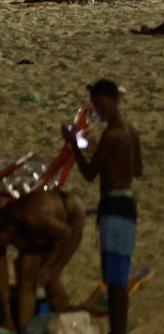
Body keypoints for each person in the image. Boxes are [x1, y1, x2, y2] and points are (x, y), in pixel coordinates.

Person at [72, 79, 144, 334]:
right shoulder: (130, 130)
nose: (99, 110)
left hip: (113, 207)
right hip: (127, 205)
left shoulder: (112, 133)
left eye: (100, 104)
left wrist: (73, 145)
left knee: (114, 280)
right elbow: (137, 169)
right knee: (117, 275)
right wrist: (101, 151)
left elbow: (90, 173)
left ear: (112, 101)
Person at [0, 188, 87, 331]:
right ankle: (26, 328)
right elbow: (1, 279)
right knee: (27, 279)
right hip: (35, 231)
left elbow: (65, 234)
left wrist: (49, 268)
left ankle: (69, 320)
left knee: (49, 280)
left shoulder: (32, 218)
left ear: (9, 229)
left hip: (70, 216)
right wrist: (7, 318)